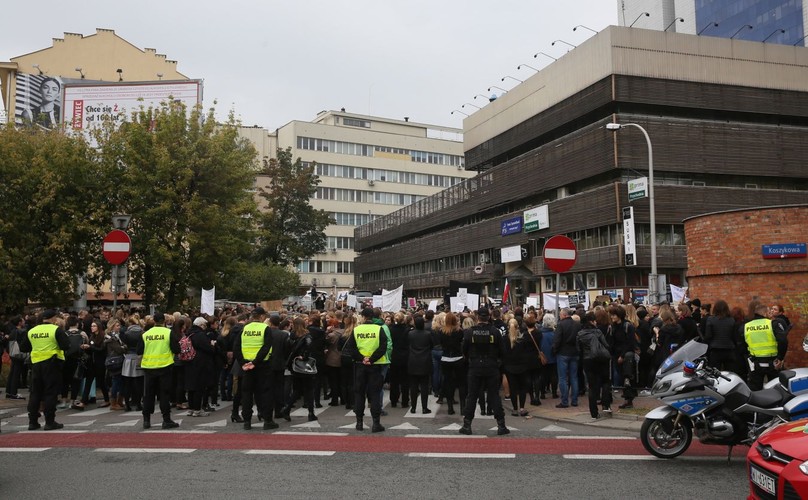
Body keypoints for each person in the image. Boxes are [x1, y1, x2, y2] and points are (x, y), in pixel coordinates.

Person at [459, 308, 508, 436]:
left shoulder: (470, 332)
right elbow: (503, 351)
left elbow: (464, 350)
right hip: (491, 366)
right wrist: (498, 363)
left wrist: (469, 359)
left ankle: (467, 425)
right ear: (489, 317)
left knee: (472, 396)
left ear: (478, 318)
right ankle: (501, 425)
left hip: (475, 366)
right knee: (494, 395)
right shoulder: (495, 332)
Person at [19, 309, 70, 430]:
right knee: (50, 393)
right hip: (52, 364)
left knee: (35, 393)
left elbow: (23, 347)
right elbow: (66, 345)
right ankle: (49, 421)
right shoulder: (55, 330)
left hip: (36, 365)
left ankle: (32, 422)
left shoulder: (32, 331)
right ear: (53, 319)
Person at [343, 308, 388, 432]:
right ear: (373, 317)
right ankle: (376, 423)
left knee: (359, 393)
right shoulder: (379, 329)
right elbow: (383, 347)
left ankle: (359, 422)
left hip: (360, 365)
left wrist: (362, 358)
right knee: (374, 394)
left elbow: (351, 348)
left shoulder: (357, 330)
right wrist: (371, 359)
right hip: (375, 365)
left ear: (363, 317)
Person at [234, 307, 276, 430]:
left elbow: (236, 347)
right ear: (262, 317)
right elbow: (266, 347)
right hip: (262, 365)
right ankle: (267, 420)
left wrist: (243, 363)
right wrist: (256, 362)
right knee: (266, 392)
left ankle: (247, 421)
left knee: (247, 393)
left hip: (247, 366)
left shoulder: (245, 329)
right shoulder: (265, 328)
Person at [137, 312, 181, 430]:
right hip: (165, 367)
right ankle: (166, 420)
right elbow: (177, 349)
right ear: (164, 321)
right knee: (164, 394)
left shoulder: (146, 334)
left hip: (149, 368)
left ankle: (146, 420)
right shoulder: (168, 333)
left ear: (154, 321)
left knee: (148, 395)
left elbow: (139, 350)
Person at [577, 311, 612, 419]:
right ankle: (605, 404)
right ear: (592, 321)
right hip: (601, 359)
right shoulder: (598, 332)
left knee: (592, 387)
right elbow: (606, 345)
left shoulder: (580, 334)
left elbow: (579, 350)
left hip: (588, 360)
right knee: (605, 381)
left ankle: (594, 412)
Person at [743, 303, 788, 390]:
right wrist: (780, 358)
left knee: (755, 390)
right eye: (768, 311)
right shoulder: (773, 323)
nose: (770, 312)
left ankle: (757, 403)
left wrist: (749, 356)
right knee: (776, 388)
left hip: (755, 363)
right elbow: (783, 341)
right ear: (764, 314)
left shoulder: (746, 326)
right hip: (773, 362)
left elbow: (742, 345)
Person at [502, 317, 540, 417]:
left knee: (513, 388)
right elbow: (526, 352)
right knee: (522, 388)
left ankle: (515, 409)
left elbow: (503, 353)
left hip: (510, 366)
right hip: (522, 366)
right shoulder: (523, 338)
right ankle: (522, 408)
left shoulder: (505, 339)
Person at [283, 317, 318, 422]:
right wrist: (305, 356)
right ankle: (311, 413)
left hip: (295, 365)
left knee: (297, 389)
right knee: (309, 389)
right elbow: (310, 347)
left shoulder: (291, 336)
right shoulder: (307, 335)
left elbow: (287, 349)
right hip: (305, 364)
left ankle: (287, 408)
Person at [184, 317, 216, 417]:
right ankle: (198, 409)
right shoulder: (200, 335)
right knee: (199, 386)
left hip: (189, 361)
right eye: (204, 325)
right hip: (200, 363)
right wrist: (212, 345)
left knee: (191, 387)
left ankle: (191, 408)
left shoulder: (189, 333)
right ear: (201, 325)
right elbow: (208, 349)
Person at [609, 305, 639, 409]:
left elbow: (629, 342)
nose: (612, 317)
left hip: (625, 355)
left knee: (628, 377)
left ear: (619, 315)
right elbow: (612, 342)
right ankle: (627, 399)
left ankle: (629, 399)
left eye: (614, 315)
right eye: (611, 315)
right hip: (616, 355)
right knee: (623, 377)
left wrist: (622, 356)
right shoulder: (612, 326)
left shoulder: (628, 326)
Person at [552, 308, 581, 409]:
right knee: (574, 377)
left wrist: (554, 351)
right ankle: (574, 400)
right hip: (574, 353)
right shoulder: (577, 324)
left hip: (563, 353)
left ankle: (564, 401)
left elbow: (557, 340)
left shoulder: (561, 324)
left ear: (564, 315)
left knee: (563, 378)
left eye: (560, 314)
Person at [440, 312, 466, 416]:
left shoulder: (442, 331)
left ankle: (450, 407)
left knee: (448, 383)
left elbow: (441, 343)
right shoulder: (459, 331)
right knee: (461, 384)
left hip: (446, 358)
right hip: (458, 358)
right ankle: (463, 407)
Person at [407, 315, 433, 414]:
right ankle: (424, 407)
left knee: (413, 386)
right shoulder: (428, 334)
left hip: (413, 360)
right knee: (424, 386)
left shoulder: (410, 334)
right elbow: (432, 345)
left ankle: (413, 407)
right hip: (425, 360)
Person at [704, 300, 738, 372]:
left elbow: (708, 336)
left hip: (715, 350)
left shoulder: (711, 319)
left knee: (715, 374)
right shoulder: (731, 320)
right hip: (729, 350)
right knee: (730, 373)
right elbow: (734, 336)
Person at [388, 312, 410, 409]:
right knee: (405, 381)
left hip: (394, 356)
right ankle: (405, 401)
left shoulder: (391, 329)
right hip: (405, 356)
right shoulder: (407, 330)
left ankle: (393, 400)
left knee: (394, 381)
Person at [5, 315, 27, 400]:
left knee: (12, 372)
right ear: (19, 323)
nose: (24, 322)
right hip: (19, 354)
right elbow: (24, 344)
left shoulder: (13, 331)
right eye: (23, 321)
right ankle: (14, 393)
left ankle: (9, 391)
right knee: (16, 373)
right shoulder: (21, 332)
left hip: (12, 353)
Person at [538, 313, 557, 399]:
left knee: (543, 375)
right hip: (553, 356)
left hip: (543, 356)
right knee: (554, 375)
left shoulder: (540, 333)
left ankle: (542, 393)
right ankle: (554, 393)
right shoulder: (555, 333)